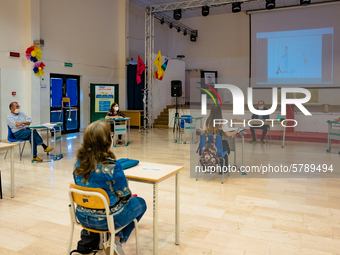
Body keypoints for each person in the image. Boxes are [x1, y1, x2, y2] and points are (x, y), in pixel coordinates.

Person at [73, 120, 146, 254]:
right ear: (107, 141)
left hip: (82, 216)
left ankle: (108, 239)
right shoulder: (113, 166)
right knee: (141, 203)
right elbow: (125, 196)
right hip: (106, 220)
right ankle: (116, 238)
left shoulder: (78, 163)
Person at [199, 105, 242, 171]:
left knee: (224, 144)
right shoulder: (222, 122)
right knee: (225, 145)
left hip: (207, 148)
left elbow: (204, 132)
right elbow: (228, 134)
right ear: (219, 112)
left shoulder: (206, 121)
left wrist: (200, 129)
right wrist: (236, 131)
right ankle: (223, 169)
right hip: (217, 148)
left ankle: (214, 164)